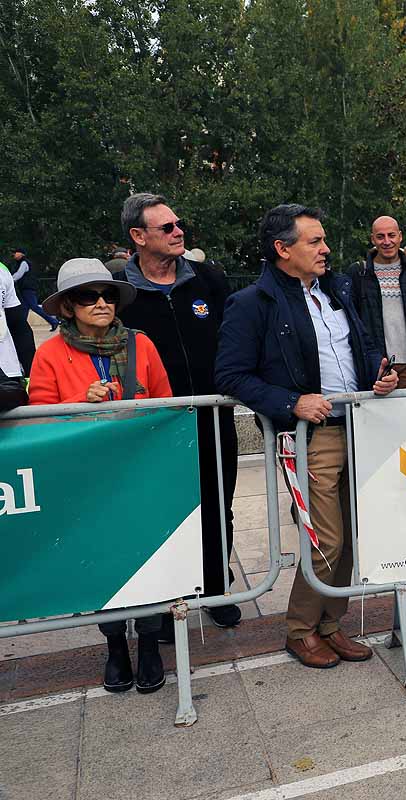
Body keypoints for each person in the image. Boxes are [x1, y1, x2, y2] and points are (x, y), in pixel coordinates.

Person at [215, 204, 399, 668]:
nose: (326, 248)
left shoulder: (335, 290)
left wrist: (377, 371)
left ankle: (330, 625)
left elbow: (360, 344)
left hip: (359, 426)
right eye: (314, 241)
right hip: (308, 436)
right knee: (326, 540)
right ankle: (300, 630)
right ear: (282, 249)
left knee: (353, 535)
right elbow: (231, 375)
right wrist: (291, 403)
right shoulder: (251, 304)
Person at [28, 258, 172, 693]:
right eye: (87, 296)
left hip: (139, 474)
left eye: (108, 294)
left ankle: (149, 643)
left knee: (146, 558)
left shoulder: (141, 344)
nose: (101, 303)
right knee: (101, 561)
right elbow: (36, 419)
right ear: (68, 307)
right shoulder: (49, 353)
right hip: (85, 481)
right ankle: (114, 646)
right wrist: (79, 400)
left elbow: (167, 402)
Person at [114, 193, 242, 632]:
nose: (178, 232)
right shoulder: (121, 293)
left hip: (211, 414)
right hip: (154, 426)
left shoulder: (209, 279)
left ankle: (215, 586)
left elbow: (233, 339)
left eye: (178, 224)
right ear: (138, 236)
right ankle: (171, 598)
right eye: (166, 228)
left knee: (217, 505)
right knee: (165, 511)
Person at [348, 215, 406, 389]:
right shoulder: (359, 273)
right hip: (379, 366)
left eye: (391, 235)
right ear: (373, 239)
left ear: (400, 236)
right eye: (380, 236)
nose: (387, 241)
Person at [11, 248, 60, 331]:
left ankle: (53, 321)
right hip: (25, 289)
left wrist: (9, 280)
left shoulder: (24, 263)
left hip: (28, 289)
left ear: (21, 254)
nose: (14, 254)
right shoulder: (21, 263)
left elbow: (18, 275)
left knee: (34, 307)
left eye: (15, 252)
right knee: (24, 309)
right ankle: (21, 327)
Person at [0, 261, 28, 381]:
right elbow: (18, 325)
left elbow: (17, 324)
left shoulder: (3, 271)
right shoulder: (3, 270)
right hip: (7, 368)